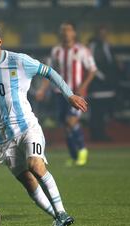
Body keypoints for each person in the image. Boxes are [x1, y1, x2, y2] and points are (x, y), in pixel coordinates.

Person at [0, 23, 88, 226]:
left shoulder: (19, 61)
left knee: (36, 165)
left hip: (27, 127)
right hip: (2, 137)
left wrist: (69, 94)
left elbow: (49, 72)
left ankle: (62, 212)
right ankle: (57, 217)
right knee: (28, 181)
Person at [36, 21, 97, 166]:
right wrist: (42, 89)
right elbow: (48, 72)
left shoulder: (82, 50)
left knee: (71, 121)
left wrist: (83, 86)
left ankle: (82, 150)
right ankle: (73, 155)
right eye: (63, 30)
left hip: (76, 93)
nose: (65, 32)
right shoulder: (56, 51)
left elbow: (92, 70)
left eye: (68, 30)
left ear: (74, 33)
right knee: (65, 125)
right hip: (60, 93)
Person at [88, 26, 118, 141]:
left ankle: (101, 133)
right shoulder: (93, 47)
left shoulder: (107, 46)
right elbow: (92, 65)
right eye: (101, 34)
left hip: (107, 86)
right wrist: (102, 77)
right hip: (97, 84)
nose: (103, 36)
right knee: (96, 111)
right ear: (97, 35)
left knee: (103, 111)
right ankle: (96, 135)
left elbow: (110, 63)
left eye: (105, 34)